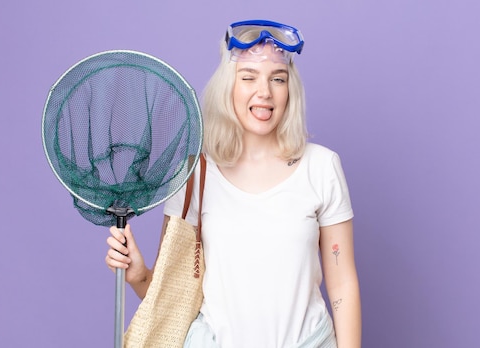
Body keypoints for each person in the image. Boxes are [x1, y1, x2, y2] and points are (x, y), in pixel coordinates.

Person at [105, 19, 361, 348]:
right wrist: (139, 274)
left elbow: (342, 286)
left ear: (289, 89)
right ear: (229, 85)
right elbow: (173, 300)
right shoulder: (195, 174)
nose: (264, 92)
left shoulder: (322, 167)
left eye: (277, 79)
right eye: (248, 77)